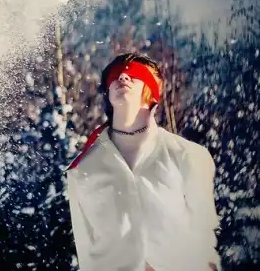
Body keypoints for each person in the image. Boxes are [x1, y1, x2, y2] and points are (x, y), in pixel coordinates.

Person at [66, 52, 220, 271]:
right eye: (116, 75)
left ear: (152, 91)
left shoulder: (188, 155)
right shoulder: (83, 169)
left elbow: (205, 237)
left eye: (134, 74)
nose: (123, 77)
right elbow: (86, 251)